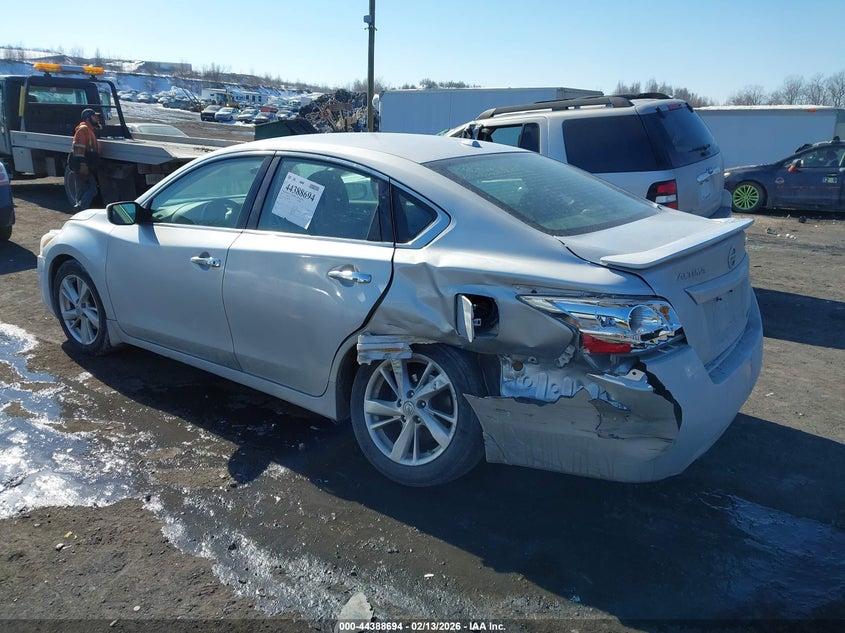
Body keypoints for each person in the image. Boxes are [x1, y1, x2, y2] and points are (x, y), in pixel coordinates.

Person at [68, 108, 101, 209]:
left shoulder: (88, 129)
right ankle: (81, 206)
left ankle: (79, 207)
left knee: (81, 189)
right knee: (91, 189)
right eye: (94, 116)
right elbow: (79, 148)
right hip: (82, 164)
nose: (97, 118)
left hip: (85, 164)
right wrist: (82, 165)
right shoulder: (83, 130)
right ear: (88, 118)